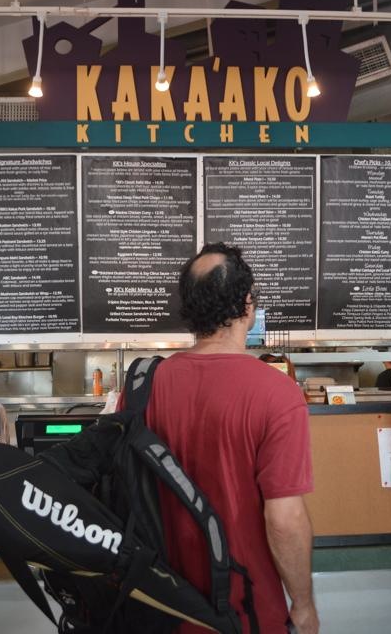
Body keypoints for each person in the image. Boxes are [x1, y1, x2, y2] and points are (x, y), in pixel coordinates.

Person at [132, 243, 318, 634]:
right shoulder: (278, 393)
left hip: (159, 605)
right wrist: (303, 605)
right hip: (244, 610)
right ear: (248, 304)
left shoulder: (142, 387)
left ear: (189, 310)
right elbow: (284, 520)